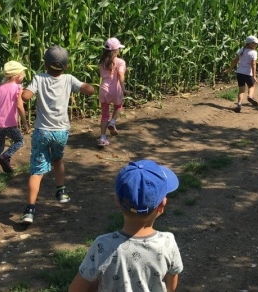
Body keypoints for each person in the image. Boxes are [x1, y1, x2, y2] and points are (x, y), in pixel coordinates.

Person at [69, 159, 183, 292]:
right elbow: (172, 283)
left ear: (117, 200)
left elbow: (76, 289)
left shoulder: (102, 246)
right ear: (161, 206)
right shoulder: (168, 243)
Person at [20, 46, 95, 224]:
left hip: (42, 131)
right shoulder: (69, 79)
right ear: (66, 66)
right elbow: (89, 90)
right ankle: (61, 191)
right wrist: (86, 87)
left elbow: (25, 96)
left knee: (36, 172)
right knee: (57, 160)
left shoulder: (39, 78)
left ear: (45, 64)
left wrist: (23, 90)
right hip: (61, 132)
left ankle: (30, 210)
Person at [0, 61, 31, 176]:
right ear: (18, 75)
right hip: (9, 123)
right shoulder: (18, 88)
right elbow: (20, 106)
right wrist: (25, 124)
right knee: (20, 141)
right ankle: (6, 156)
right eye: (23, 74)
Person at [97, 37, 127, 147]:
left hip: (104, 90)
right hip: (116, 90)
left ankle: (102, 138)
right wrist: (124, 89)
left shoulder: (102, 62)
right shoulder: (120, 62)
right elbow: (120, 75)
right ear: (116, 50)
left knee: (105, 114)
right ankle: (113, 122)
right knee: (118, 107)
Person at [225, 35, 258, 113]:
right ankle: (250, 96)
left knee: (241, 90)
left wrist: (229, 69)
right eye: (255, 43)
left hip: (240, 73)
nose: (256, 45)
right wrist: (254, 76)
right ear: (250, 43)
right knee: (251, 86)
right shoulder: (254, 53)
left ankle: (239, 105)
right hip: (248, 73)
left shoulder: (242, 50)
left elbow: (235, 60)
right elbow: (253, 64)